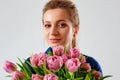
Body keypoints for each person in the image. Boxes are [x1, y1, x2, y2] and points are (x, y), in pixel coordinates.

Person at [25, 0, 103, 76]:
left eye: (61, 25)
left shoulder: (91, 65)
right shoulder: (31, 66)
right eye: (48, 25)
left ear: (75, 30)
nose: (53, 32)